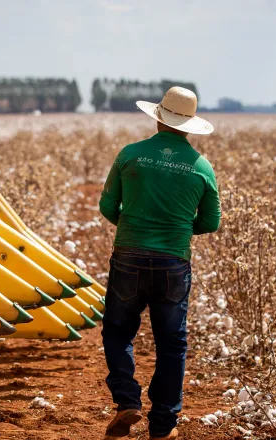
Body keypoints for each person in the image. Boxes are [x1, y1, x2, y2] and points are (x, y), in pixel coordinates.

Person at [99, 87, 221, 440]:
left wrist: (136, 225)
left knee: (118, 331)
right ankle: (163, 425)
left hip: (129, 256)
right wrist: (178, 229)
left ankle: (126, 401)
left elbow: (108, 207)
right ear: (189, 126)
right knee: (172, 343)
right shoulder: (202, 167)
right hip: (174, 262)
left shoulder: (131, 155)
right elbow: (210, 223)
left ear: (158, 118)